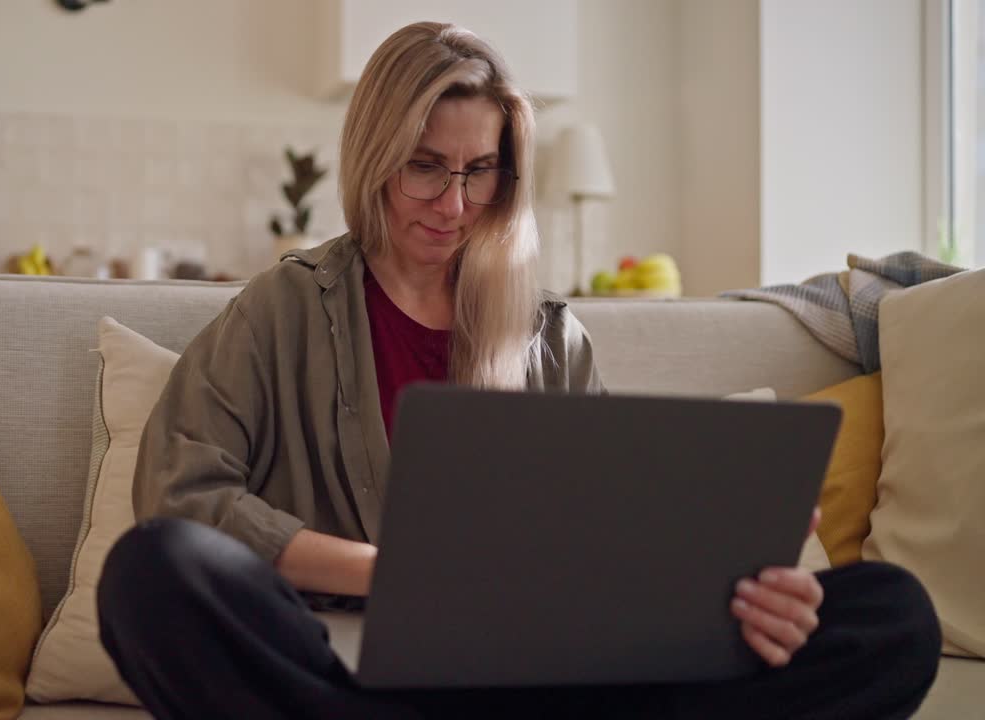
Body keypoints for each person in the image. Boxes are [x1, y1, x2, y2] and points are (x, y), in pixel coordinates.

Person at [97, 21, 941, 719]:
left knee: (892, 616)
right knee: (153, 571)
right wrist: (391, 574)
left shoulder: (550, 337)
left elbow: (608, 546)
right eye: (426, 165)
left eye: (480, 171)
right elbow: (180, 495)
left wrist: (749, 595)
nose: (454, 203)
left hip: (546, 674)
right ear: (375, 155)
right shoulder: (284, 308)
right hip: (345, 668)